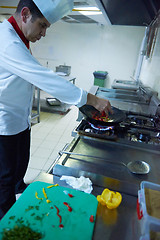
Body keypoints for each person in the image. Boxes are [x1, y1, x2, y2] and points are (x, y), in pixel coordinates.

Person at [0, 0, 112, 220]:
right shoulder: (6, 42)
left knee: (17, 174)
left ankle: (17, 194)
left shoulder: (19, 39)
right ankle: (6, 224)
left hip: (21, 121)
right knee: (4, 180)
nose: (43, 33)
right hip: (4, 125)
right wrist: (91, 99)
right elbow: (42, 77)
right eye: (42, 25)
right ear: (25, 14)